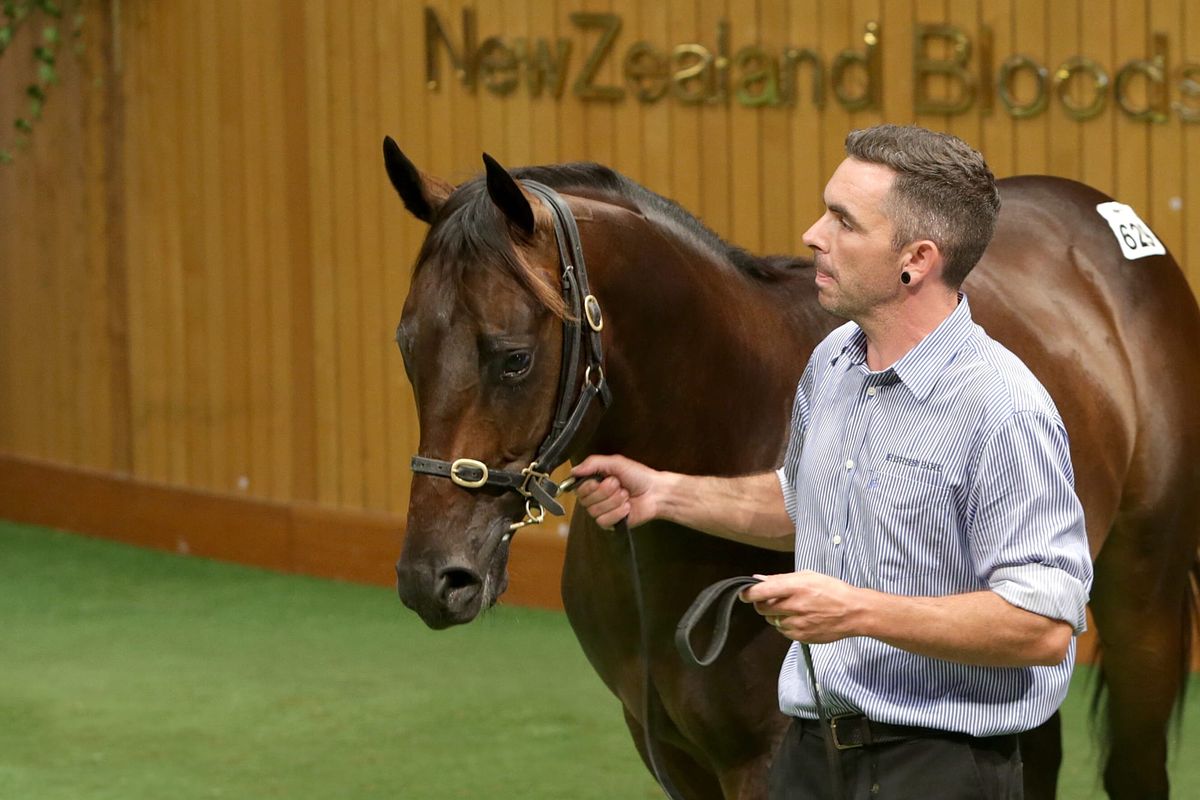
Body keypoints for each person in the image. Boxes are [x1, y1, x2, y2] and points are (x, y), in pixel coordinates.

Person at [572, 124, 1093, 799]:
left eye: (843, 221)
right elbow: (805, 502)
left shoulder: (1004, 409)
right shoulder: (837, 360)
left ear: (916, 259)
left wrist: (858, 612)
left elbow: (1043, 625)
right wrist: (666, 494)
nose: (813, 234)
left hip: (938, 769)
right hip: (809, 756)